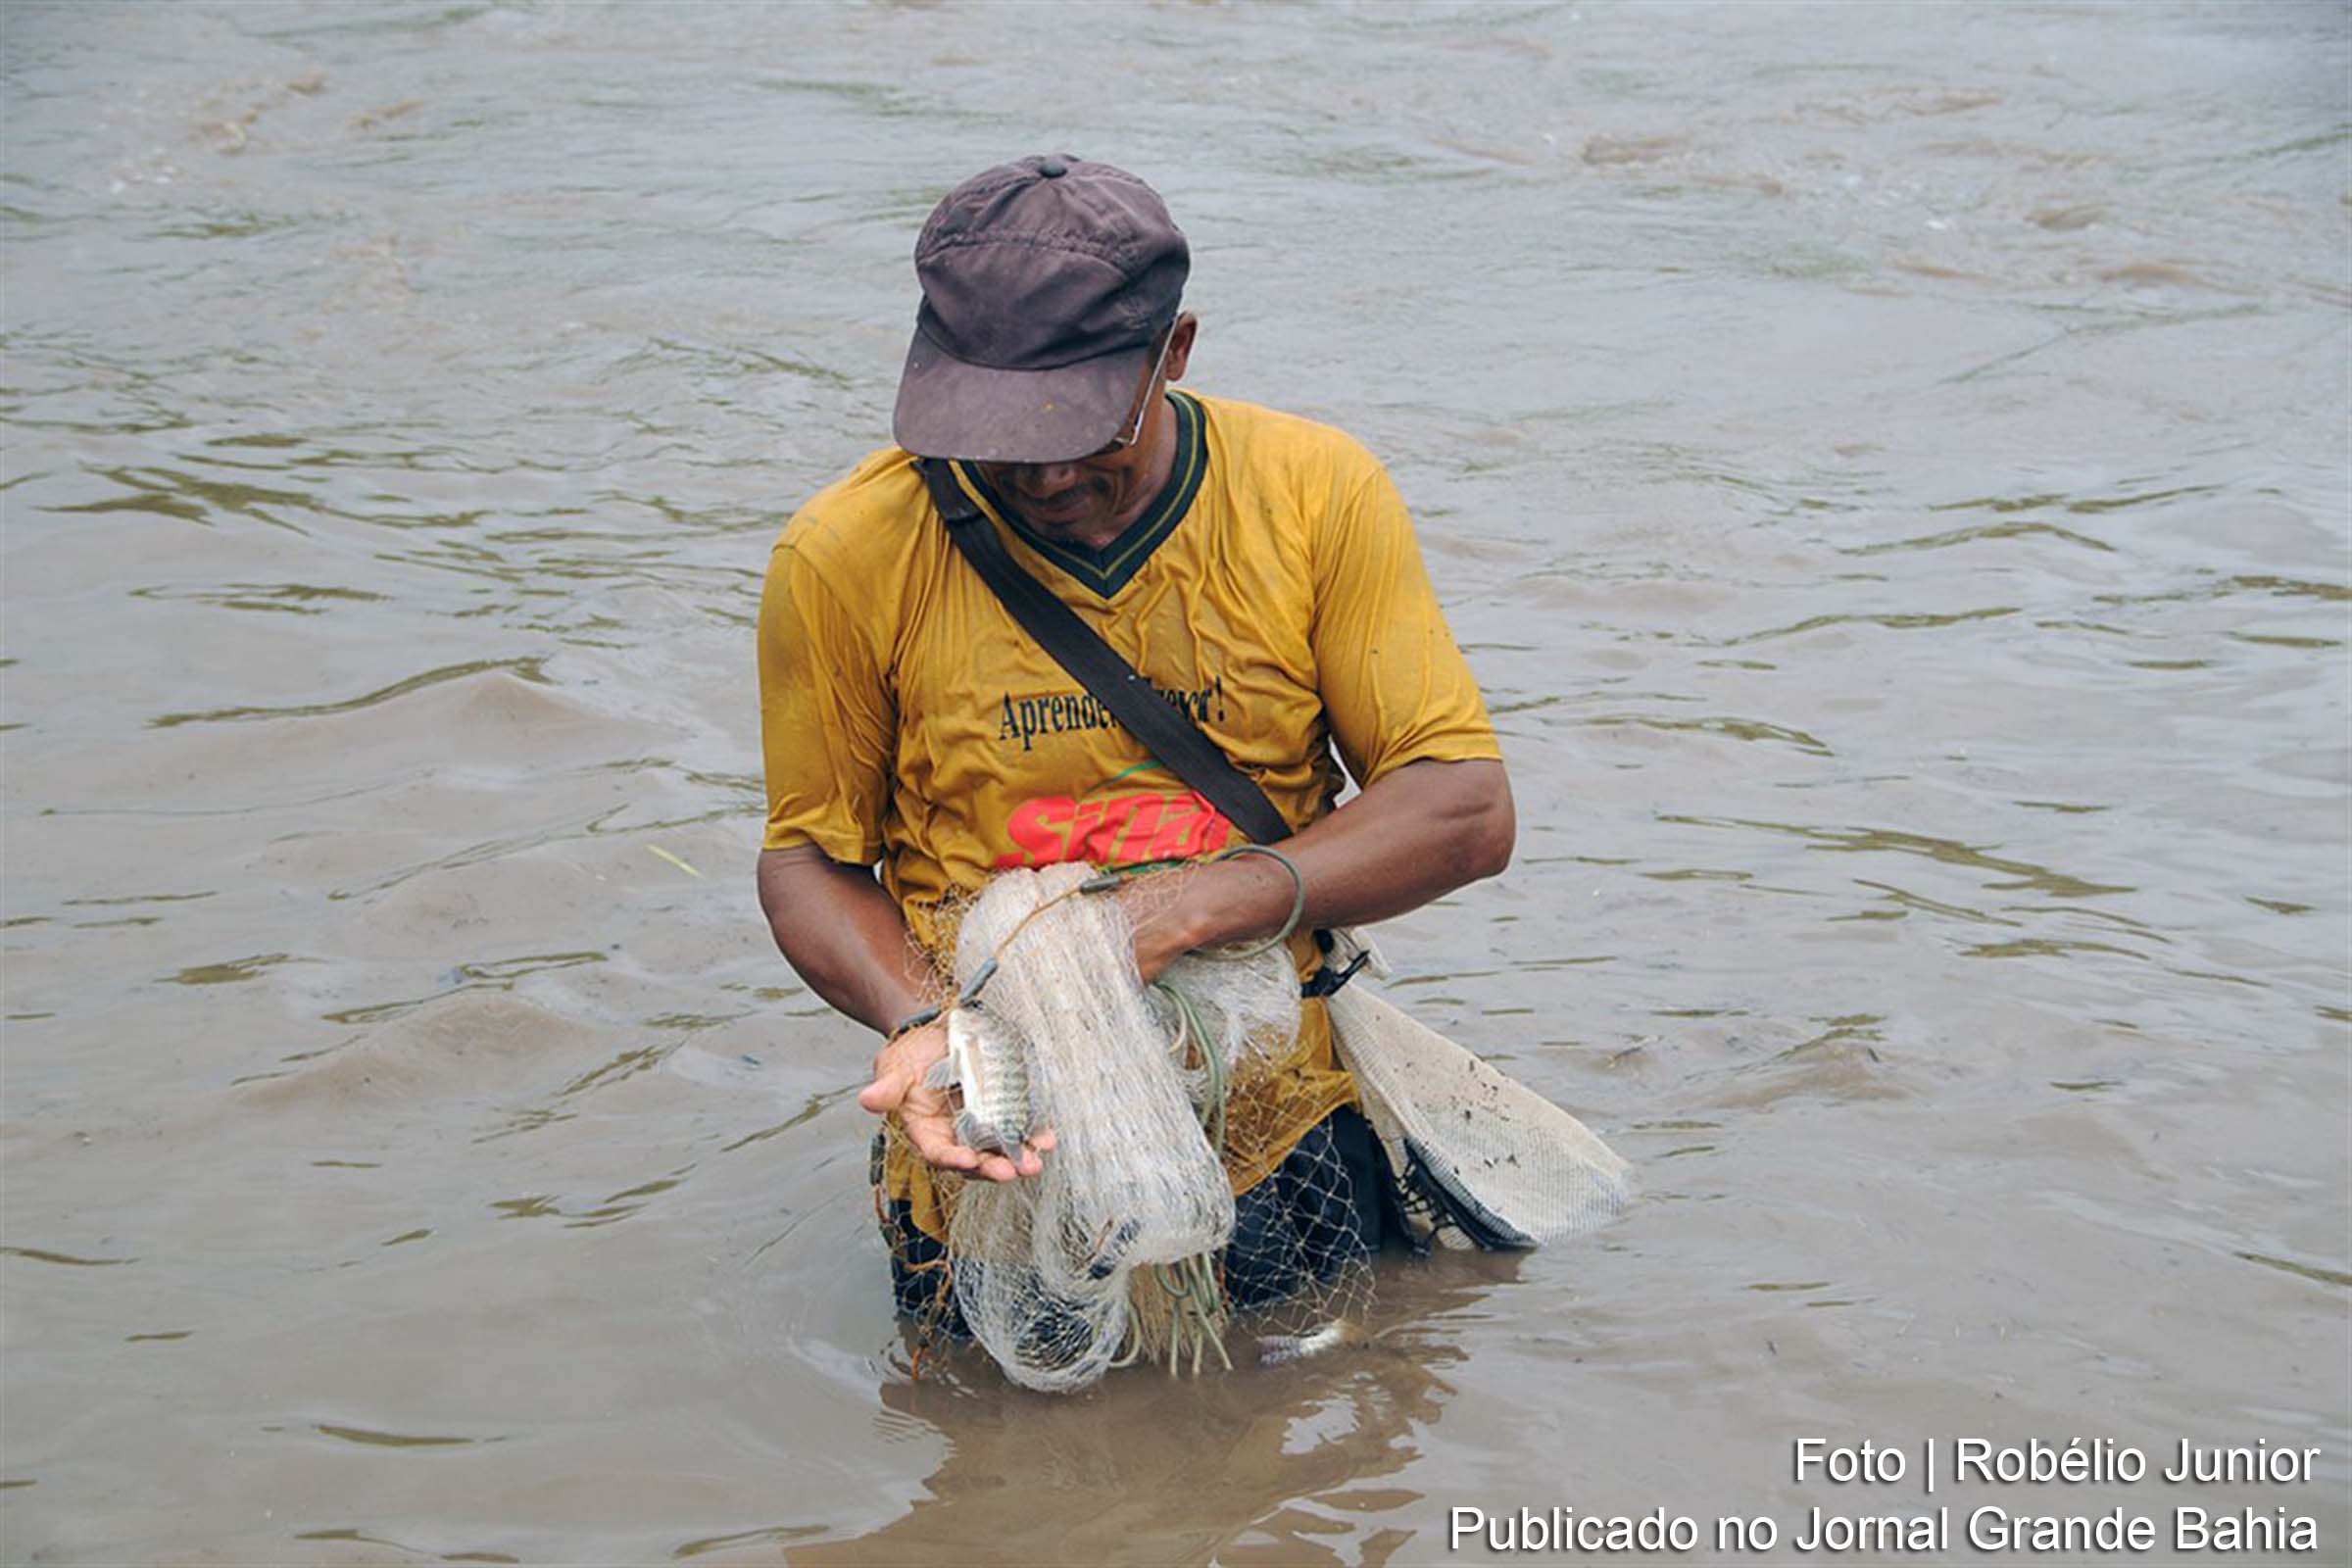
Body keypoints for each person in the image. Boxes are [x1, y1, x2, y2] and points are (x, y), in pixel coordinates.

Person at [756, 154, 1514, 1324]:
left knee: (1313, 1465)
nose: (1050, 472)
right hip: (1000, 1136)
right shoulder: (848, 554)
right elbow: (808, 860)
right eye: (1004, 433)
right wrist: (920, 1025)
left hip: (1277, 1121)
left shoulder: (1313, 495)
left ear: (1176, 351)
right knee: (1001, 1482)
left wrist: (1184, 914)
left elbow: (1462, 805)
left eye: (1080, 423)